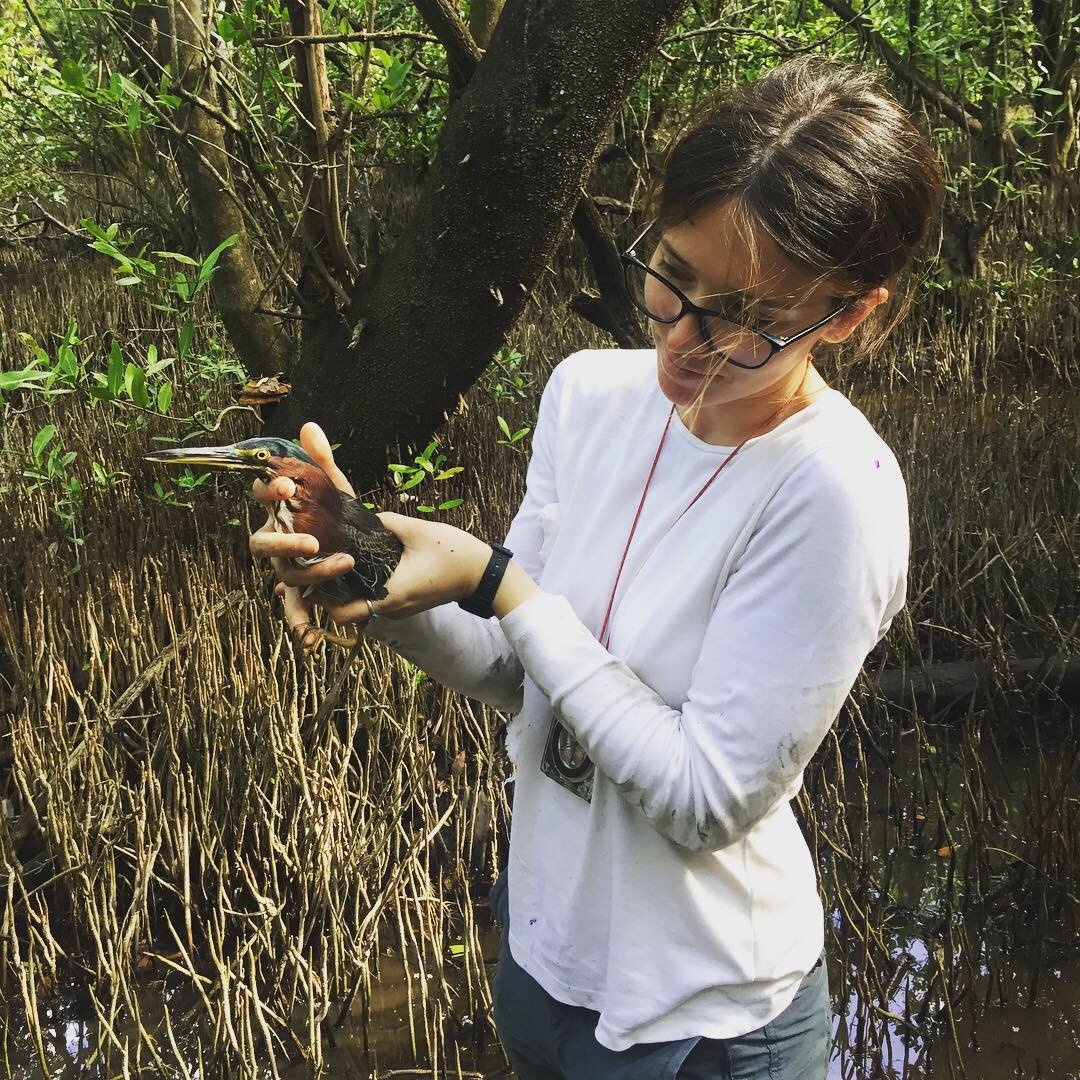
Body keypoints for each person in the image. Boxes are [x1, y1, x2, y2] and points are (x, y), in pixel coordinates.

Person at [250, 56, 943, 1080]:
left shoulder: (834, 492)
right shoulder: (589, 394)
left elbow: (705, 798)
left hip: (701, 1013)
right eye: (672, 273)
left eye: (746, 317)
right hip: (543, 957)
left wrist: (500, 580)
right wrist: (370, 564)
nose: (680, 337)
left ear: (846, 314)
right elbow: (514, 671)